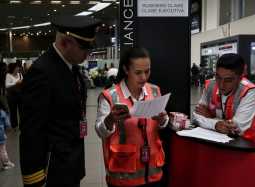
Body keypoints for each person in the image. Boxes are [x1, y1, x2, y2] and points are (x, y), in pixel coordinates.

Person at [20, 16, 100, 187]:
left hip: (70, 163)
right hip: (53, 168)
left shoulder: (72, 67)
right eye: (84, 48)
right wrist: (34, 177)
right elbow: (31, 130)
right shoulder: (42, 72)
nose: (88, 54)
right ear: (65, 43)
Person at [95, 47, 169, 187]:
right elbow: (100, 131)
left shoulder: (154, 91)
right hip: (123, 176)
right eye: (138, 73)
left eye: (147, 71)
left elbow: (163, 123)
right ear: (126, 69)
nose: (144, 77)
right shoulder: (110, 96)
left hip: (153, 173)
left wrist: (163, 120)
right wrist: (110, 119)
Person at [193, 53, 255, 145]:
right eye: (218, 77)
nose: (221, 85)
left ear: (240, 78)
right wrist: (216, 124)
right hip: (224, 142)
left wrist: (210, 118)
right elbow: (196, 116)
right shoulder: (211, 85)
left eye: (228, 80)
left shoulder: (249, 91)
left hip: (254, 145)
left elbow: (234, 129)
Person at [5, 62, 23, 129]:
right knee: (13, 111)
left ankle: (22, 125)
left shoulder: (20, 74)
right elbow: (7, 85)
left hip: (20, 95)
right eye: (16, 67)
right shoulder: (8, 75)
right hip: (11, 96)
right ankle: (14, 125)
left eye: (18, 67)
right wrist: (16, 83)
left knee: (21, 111)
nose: (18, 68)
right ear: (13, 68)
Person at [0, 99, 15, 170]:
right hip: (0, 134)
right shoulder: (2, 112)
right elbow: (8, 125)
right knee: (2, 149)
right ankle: (6, 163)